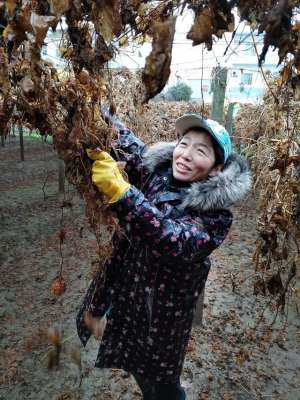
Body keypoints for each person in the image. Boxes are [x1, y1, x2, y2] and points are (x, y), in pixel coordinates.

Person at [76, 110, 251, 399]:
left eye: (201, 150)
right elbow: (127, 141)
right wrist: (96, 111)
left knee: (161, 381)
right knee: (139, 366)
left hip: (164, 312)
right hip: (133, 291)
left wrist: (123, 194)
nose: (186, 154)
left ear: (216, 168)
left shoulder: (216, 217)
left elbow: (173, 239)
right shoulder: (156, 171)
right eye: (184, 143)